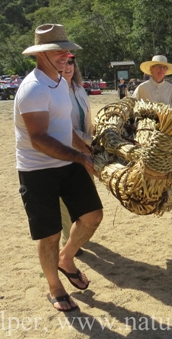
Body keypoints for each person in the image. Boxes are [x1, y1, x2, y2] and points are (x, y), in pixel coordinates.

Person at [15, 24, 103, 312]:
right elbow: (39, 139)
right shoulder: (33, 89)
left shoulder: (60, 83)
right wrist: (80, 158)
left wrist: (86, 148)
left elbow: (66, 129)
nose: (68, 55)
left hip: (68, 160)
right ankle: (55, 287)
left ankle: (66, 258)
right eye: (61, 50)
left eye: (68, 50)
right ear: (43, 54)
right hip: (38, 170)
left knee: (92, 216)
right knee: (49, 233)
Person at [58, 53, 95, 255]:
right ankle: (68, 239)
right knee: (66, 201)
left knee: (84, 195)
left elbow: (86, 119)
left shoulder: (80, 89)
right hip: (67, 151)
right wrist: (88, 142)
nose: (68, 66)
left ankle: (77, 234)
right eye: (63, 62)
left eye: (71, 62)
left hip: (86, 150)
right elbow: (64, 128)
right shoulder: (56, 91)